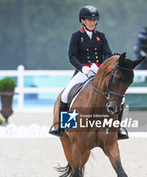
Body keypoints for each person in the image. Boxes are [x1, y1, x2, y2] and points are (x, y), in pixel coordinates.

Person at [49, 5, 129, 139]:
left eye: (94, 20)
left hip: (100, 72)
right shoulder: (76, 36)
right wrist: (83, 67)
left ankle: (118, 128)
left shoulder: (101, 37)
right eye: (88, 20)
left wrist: (102, 68)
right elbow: (72, 56)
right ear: (82, 21)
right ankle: (61, 127)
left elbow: (107, 54)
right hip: (83, 72)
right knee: (66, 94)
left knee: (121, 98)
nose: (92, 22)